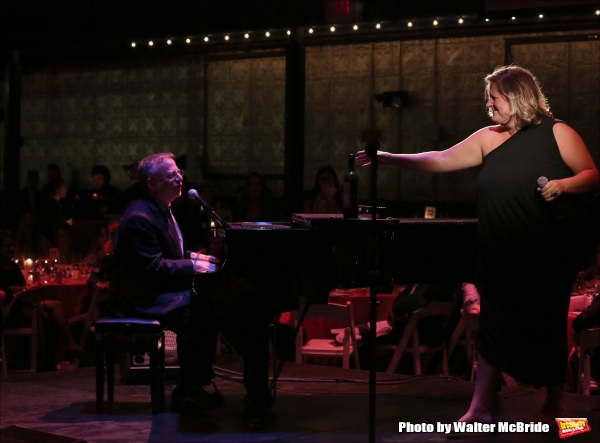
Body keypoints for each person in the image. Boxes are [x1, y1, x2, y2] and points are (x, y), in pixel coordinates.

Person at [356, 65, 600, 422]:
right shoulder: (488, 137)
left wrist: (562, 186)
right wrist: (391, 159)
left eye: (494, 97)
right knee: (493, 326)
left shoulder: (557, 132)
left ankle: (554, 402)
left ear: (517, 97)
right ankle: (481, 405)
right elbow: (441, 160)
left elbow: (591, 175)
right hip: (499, 251)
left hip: (544, 253)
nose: (488, 104)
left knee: (545, 326)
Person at [108, 152, 221, 414]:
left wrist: (196, 256)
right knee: (195, 312)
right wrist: (194, 266)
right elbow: (153, 267)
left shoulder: (160, 208)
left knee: (206, 305)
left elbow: (169, 252)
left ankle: (194, 386)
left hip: (154, 288)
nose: (179, 177)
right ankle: (190, 390)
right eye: (171, 175)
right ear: (151, 184)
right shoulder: (140, 216)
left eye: (179, 172)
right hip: (139, 298)